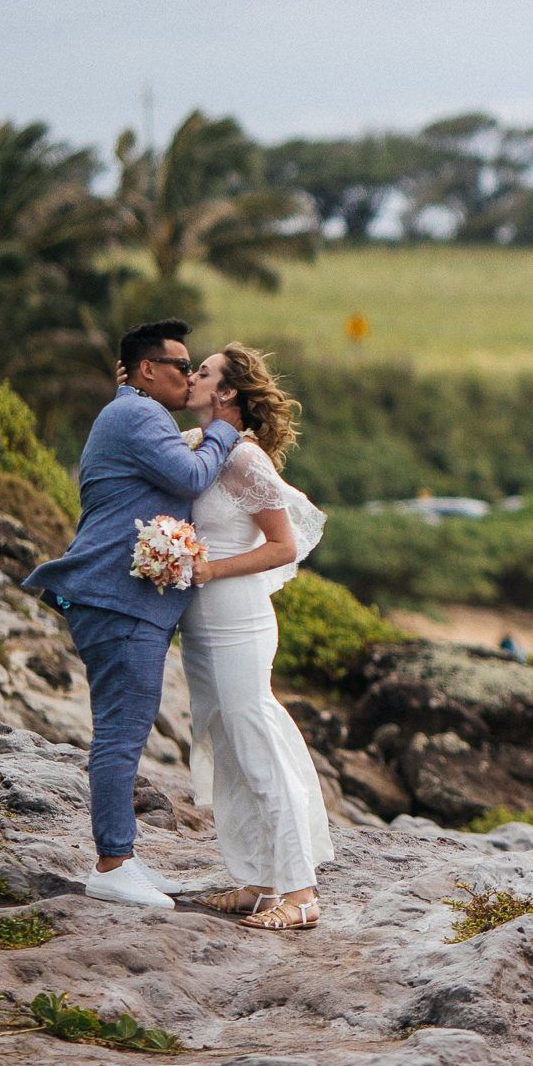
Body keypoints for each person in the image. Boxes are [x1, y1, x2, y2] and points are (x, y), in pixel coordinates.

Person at [23, 320, 240, 909]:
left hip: (120, 600)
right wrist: (224, 429)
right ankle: (112, 864)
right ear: (147, 370)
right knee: (120, 735)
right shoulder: (139, 416)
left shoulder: (133, 413)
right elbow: (191, 475)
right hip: (117, 600)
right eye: (180, 366)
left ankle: (124, 857)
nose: (191, 376)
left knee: (126, 730)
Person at [177, 345, 334, 933]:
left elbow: (283, 546)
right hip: (200, 619)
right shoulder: (198, 448)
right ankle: (257, 878)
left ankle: (299, 890)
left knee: (255, 738)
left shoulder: (244, 459)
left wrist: (211, 568)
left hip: (235, 616)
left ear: (227, 394)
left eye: (203, 372)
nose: (191, 378)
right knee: (228, 742)